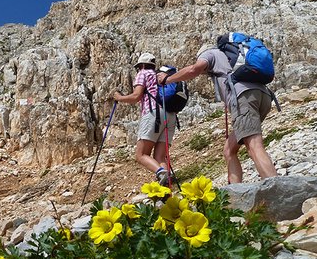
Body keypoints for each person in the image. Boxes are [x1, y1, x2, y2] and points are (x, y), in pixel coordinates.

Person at [161, 41, 278, 184]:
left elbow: (194, 70)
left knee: (254, 145)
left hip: (244, 97)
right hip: (263, 96)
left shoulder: (209, 54)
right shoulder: (229, 57)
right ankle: (236, 190)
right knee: (229, 150)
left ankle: (276, 187)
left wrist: (168, 79)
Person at [113, 53, 176, 187]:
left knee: (141, 154)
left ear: (141, 65)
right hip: (171, 115)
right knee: (160, 156)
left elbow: (136, 96)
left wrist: (119, 98)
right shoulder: (159, 76)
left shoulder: (143, 73)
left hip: (153, 113)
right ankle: (167, 187)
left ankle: (161, 173)